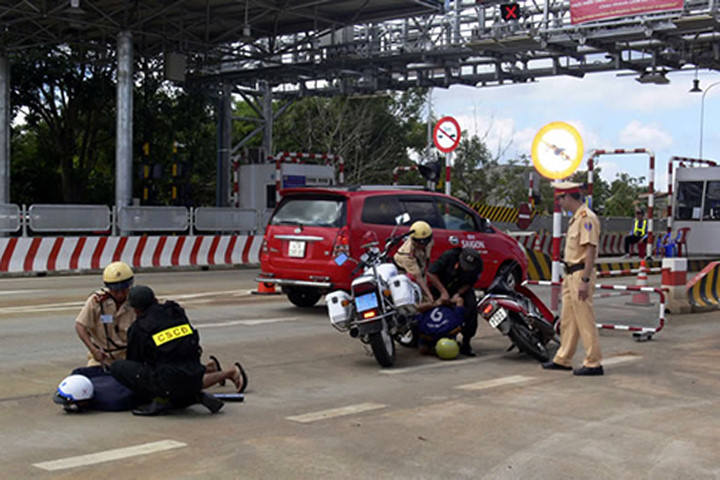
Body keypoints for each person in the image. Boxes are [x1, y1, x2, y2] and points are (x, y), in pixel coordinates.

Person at [110, 285, 229, 415]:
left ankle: (162, 400)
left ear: (136, 309)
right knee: (173, 371)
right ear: (155, 299)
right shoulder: (175, 312)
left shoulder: (139, 328)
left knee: (118, 367)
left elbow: (135, 360)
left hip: (168, 381)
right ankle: (192, 396)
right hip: (195, 373)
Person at [542, 182, 604, 376]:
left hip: (580, 273)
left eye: (561, 198)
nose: (560, 203)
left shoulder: (587, 218)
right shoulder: (575, 219)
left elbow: (590, 250)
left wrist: (585, 280)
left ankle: (593, 362)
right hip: (570, 274)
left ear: (568, 197)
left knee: (585, 319)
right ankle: (563, 358)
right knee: (569, 319)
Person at [74, 261, 136, 367]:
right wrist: (93, 350)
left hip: (129, 357)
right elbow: (80, 326)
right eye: (116, 291)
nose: (120, 294)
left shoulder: (136, 301)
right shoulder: (97, 301)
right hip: (102, 358)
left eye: (124, 290)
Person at [426, 247, 484, 357]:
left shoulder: (478, 265)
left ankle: (466, 342)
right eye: (465, 266)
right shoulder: (449, 256)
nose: (466, 269)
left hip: (461, 288)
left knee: (471, 308)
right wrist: (443, 292)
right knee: (434, 308)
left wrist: (458, 293)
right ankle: (431, 338)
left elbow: (471, 282)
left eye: (469, 268)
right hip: (440, 286)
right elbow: (431, 273)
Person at [393, 220, 434, 300]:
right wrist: (429, 296)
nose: (423, 245)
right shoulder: (406, 255)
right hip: (403, 272)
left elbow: (427, 258)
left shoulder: (427, 240)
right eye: (420, 243)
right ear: (414, 241)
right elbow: (418, 278)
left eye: (425, 242)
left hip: (420, 268)